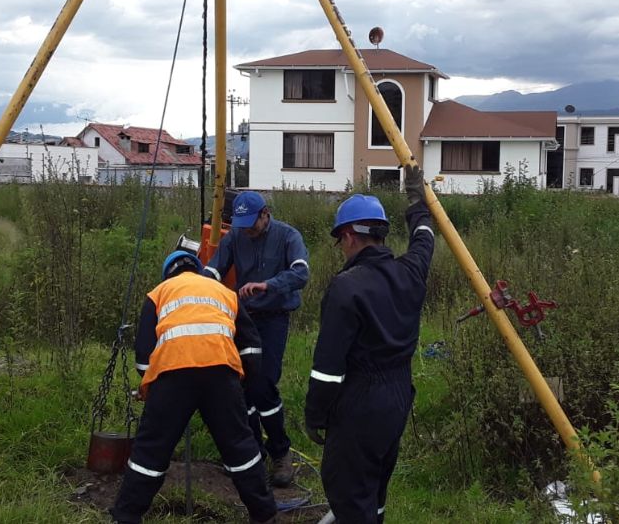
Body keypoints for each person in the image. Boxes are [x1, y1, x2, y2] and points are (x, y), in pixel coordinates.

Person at [304, 165, 435, 523]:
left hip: (360, 403)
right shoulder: (411, 271)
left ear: (348, 236)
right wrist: (417, 200)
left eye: (339, 242)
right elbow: (424, 238)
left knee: (348, 490)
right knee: (375, 486)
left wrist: (315, 416)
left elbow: (328, 370)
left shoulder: (346, 288)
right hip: (398, 396)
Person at [110, 250, 278, 524]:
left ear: (168, 274)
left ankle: (127, 515)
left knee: (150, 450)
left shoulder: (159, 293)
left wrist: (152, 389)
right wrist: (240, 383)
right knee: (240, 447)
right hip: (222, 374)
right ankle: (264, 514)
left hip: (171, 375)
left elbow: (143, 357)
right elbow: (251, 347)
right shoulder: (225, 292)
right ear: (198, 269)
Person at [203, 191, 309, 487]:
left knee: (263, 385)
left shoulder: (288, 236)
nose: (247, 230)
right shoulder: (236, 237)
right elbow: (213, 269)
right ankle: (251, 453)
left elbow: (301, 273)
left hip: (274, 319)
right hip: (244, 320)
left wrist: (269, 285)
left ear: (265, 214)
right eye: (242, 225)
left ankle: (281, 452)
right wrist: (197, 285)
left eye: (252, 223)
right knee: (239, 386)